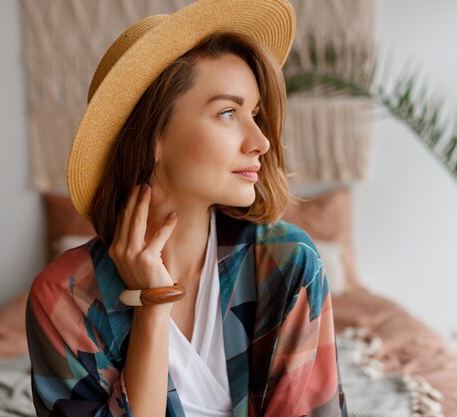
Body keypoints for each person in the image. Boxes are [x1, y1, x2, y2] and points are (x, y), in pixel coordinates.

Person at [26, 0, 347, 416]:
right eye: (228, 113)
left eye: (255, 114)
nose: (261, 142)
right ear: (153, 135)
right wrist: (152, 306)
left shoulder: (286, 263)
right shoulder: (65, 298)